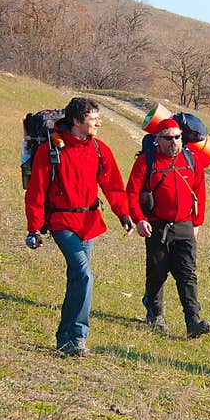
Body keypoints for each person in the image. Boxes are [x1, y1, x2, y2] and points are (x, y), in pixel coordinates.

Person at [24, 96, 133, 357]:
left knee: (78, 278)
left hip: (89, 223)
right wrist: (34, 228)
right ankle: (78, 337)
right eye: (94, 119)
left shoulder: (99, 149)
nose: (99, 123)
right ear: (76, 121)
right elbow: (37, 191)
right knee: (84, 275)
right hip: (62, 222)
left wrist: (124, 215)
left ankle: (66, 338)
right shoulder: (51, 150)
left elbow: (114, 186)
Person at [126, 118, 210, 339]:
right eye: (168, 138)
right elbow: (132, 194)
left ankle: (193, 320)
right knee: (157, 273)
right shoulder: (146, 162)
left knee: (187, 274)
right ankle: (155, 315)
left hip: (184, 226)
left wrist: (197, 223)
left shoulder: (192, 160)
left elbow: (199, 193)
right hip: (156, 226)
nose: (174, 142)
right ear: (158, 140)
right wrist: (139, 220)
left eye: (177, 137)